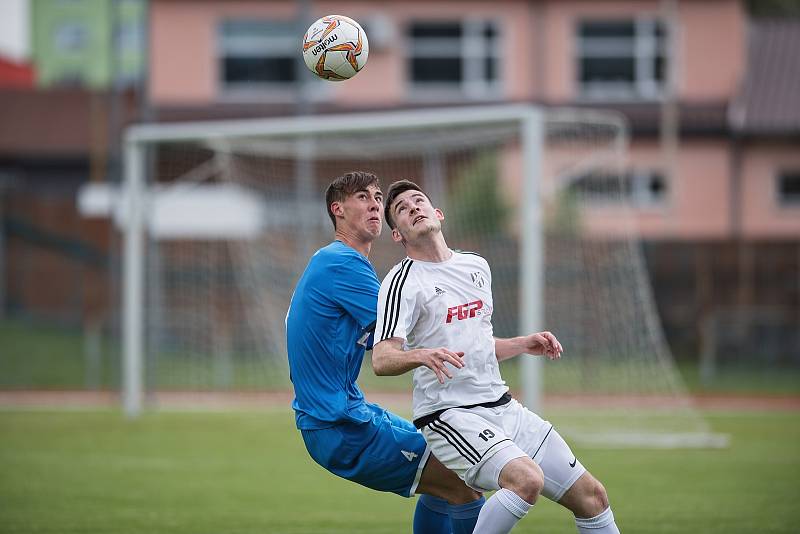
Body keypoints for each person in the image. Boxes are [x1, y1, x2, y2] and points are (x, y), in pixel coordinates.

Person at [373, 179, 622, 534]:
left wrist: (521, 344)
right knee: (526, 480)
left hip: (502, 408)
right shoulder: (402, 282)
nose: (413, 207)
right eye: (402, 209)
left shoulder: (476, 266)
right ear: (397, 235)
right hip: (450, 414)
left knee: (593, 497)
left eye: (419, 201)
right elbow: (382, 359)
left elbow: (476, 346)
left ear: (437, 213)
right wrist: (421, 355)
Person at [285, 171, 485, 534]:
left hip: (346, 415)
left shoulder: (333, 261)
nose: (375, 204)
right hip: (340, 426)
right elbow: (404, 341)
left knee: (450, 475)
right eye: (362, 197)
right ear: (338, 210)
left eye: (378, 197)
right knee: (465, 487)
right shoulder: (343, 264)